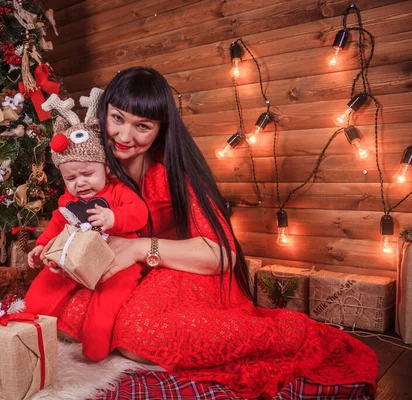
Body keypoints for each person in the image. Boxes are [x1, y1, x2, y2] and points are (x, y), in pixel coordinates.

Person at [30, 67, 379, 399]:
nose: (124, 136)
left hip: (182, 269)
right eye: (117, 118)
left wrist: (140, 250)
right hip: (125, 275)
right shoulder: (93, 167)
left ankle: (295, 331)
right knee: (68, 316)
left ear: (160, 130)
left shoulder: (173, 175)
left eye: (143, 126)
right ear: (103, 114)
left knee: (138, 335)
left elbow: (222, 254)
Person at [24, 91, 149, 362]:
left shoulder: (118, 192)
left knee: (108, 300)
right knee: (43, 286)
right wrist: (43, 246)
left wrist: (114, 219)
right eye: (71, 177)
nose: (80, 183)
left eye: (88, 174)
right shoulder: (68, 200)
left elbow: (140, 214)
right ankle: (28, 327)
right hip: (74, 257)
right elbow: (57, 224)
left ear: (106, 168)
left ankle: (96, 343)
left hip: (115, 259)